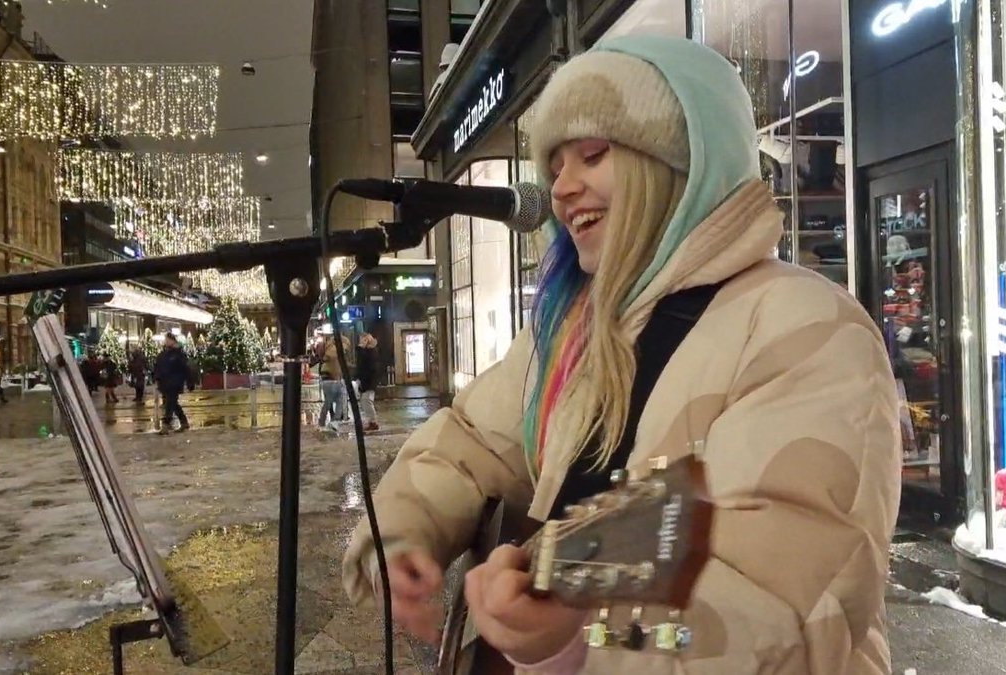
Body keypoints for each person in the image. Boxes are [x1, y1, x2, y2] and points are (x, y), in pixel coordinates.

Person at [343, 35, 901, 674]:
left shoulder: (805, 324)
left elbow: (782, 593)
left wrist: (576, 635)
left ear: (678, 165)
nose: (561, 189)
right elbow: (470, 440)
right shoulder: (575, 330)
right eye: (554, 168)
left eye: (592, 155)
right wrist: (408, 530)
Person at [153, 334, 190, 434]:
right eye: (166, 340)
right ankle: (184, 422)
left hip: (174, 383)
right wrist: (157, 379)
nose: (166, 341)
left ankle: (165, 425)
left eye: (167, 340)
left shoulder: (178, 354)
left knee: (170, 403)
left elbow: (184, 368)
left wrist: (185, 381)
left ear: (173, 340)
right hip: (165, 383)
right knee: (173, 403)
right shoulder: (164, 354)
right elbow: (158, 367)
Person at [316, 334, 351, 429]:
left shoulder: (330, 348)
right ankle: (327, 422)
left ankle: (330, 421)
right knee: (331, 401)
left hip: (331, 379)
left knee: (335, 401)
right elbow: (334, 364)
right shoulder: (334, 350)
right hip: (331, 379)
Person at [354, 333, 380, 432]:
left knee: (366, 400)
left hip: (369, 381)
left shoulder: (371, 351)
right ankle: (371, 421)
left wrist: (361, 348)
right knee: (365, 401)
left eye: (362, 340)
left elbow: (365, 364)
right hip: (365, 380)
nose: (360, 342)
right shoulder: (366, 351)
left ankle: (373, 422)